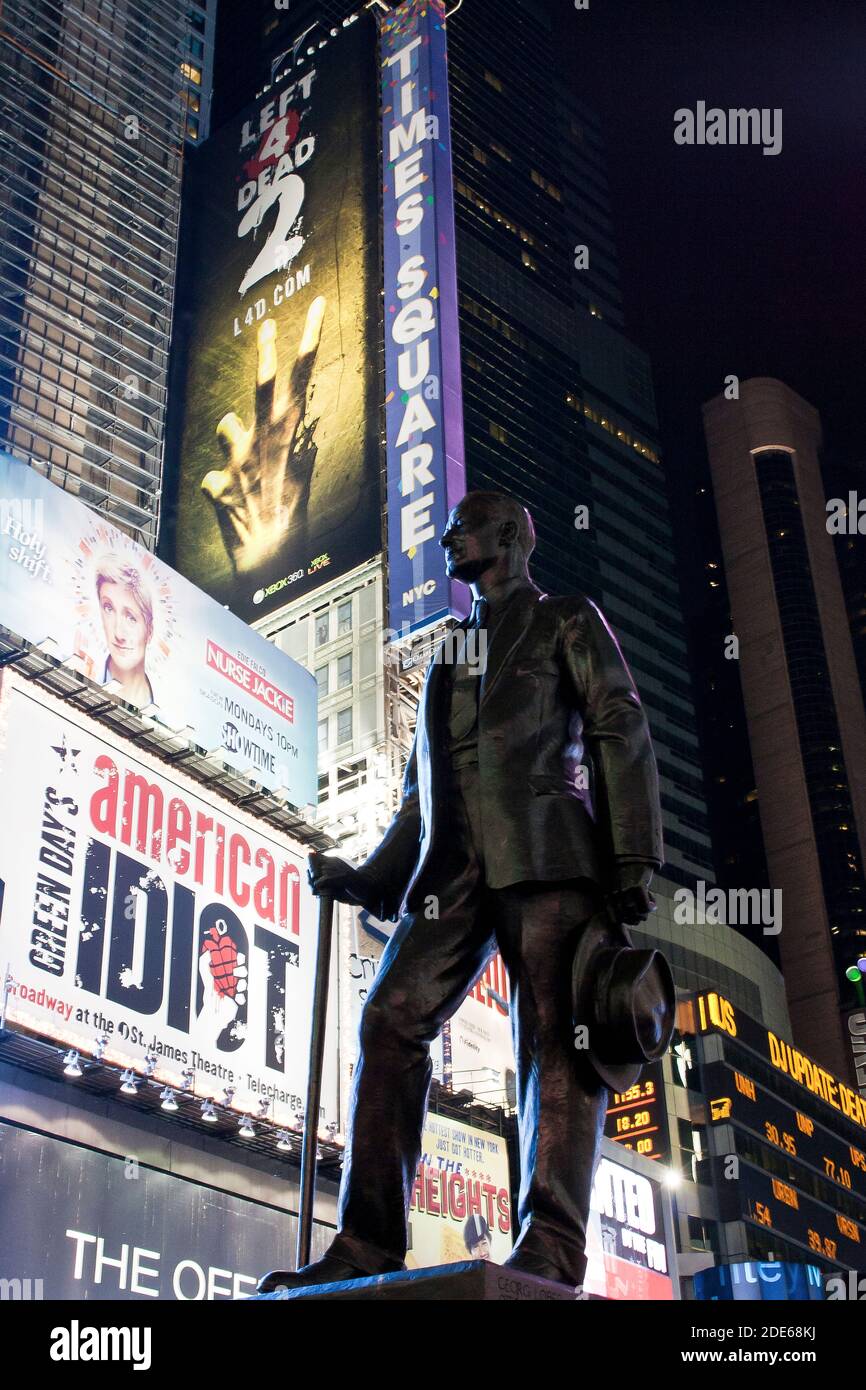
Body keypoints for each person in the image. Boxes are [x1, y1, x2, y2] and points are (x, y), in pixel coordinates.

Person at [259, 490, 663, 1292]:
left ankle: (551, 1240)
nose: (449, 537)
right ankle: (367, 1242)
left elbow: (620, 721)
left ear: (511, 536)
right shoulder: (450, 654)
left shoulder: (565, 620)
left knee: (555, 1042)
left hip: (550, 855)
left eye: (465, 527)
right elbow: (422, 793)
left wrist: (631, 857)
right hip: (456, 868)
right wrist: (373, 875)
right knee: (389, 1019)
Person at [95, 557, 156, 708]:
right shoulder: (80, 675)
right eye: (108, 608)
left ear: (149, 631)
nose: (119, 634)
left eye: (131, 618)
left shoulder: (166, 719)